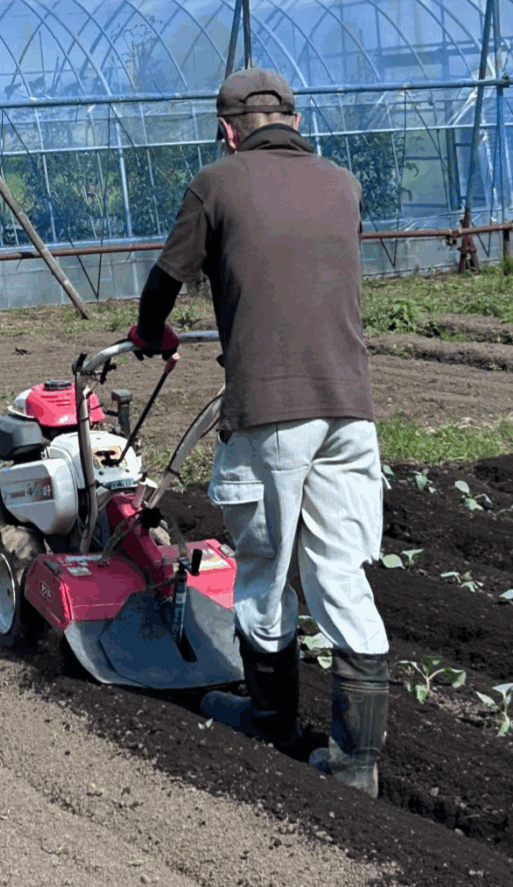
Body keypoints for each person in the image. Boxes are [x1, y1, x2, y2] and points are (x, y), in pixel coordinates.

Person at [127, 67, 389, 799]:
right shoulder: (343, 184)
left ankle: (270, 719)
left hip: (271, 413)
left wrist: (151, 335)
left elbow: (165, 282)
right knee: (341, 572)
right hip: (350, 409)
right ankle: (355, 760)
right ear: (297, 121)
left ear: (228, 129)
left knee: (266, 569)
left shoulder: (218, 182)